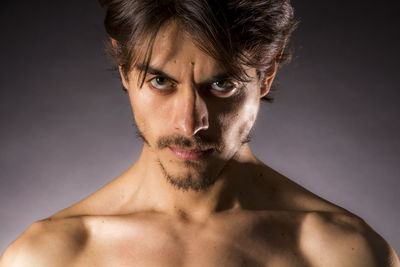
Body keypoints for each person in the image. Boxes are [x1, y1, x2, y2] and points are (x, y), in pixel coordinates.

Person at [1, 0, 399, 266]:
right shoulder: (49, 257)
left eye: (221, 85)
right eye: (160, 81)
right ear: (125, 71)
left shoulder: (338, 253)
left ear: (266, 76)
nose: (190, 125)